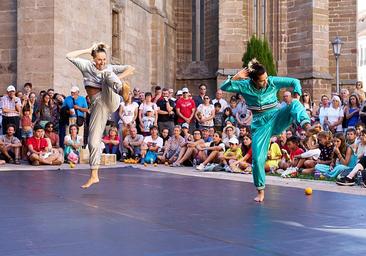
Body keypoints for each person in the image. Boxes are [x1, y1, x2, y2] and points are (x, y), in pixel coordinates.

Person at [220, 58, 310, 202]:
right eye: (262, 80)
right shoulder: (245, 85)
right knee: (257, 159)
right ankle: (260, 191)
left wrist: (297, 95)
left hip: (276, 116)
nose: (266, 81)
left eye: (266, 78)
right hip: (259, 124)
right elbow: (224, 86)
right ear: (254, 80)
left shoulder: (272, 81)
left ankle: (306, 125)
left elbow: (295, 82)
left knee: (294, 103)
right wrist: (237, 76)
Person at [66, 42, 134, 188]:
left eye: (104, 59)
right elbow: (69, 56)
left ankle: (122, 89)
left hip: (112, 98)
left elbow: (131, 68)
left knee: (107, 74)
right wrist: (87, 49)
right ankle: (94, 175)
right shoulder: (86, 66)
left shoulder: (108, 68)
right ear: (93, 59)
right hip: (98, 105)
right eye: (99, 59)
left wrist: (120, 78)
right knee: (92, 141)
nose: (102, 62)